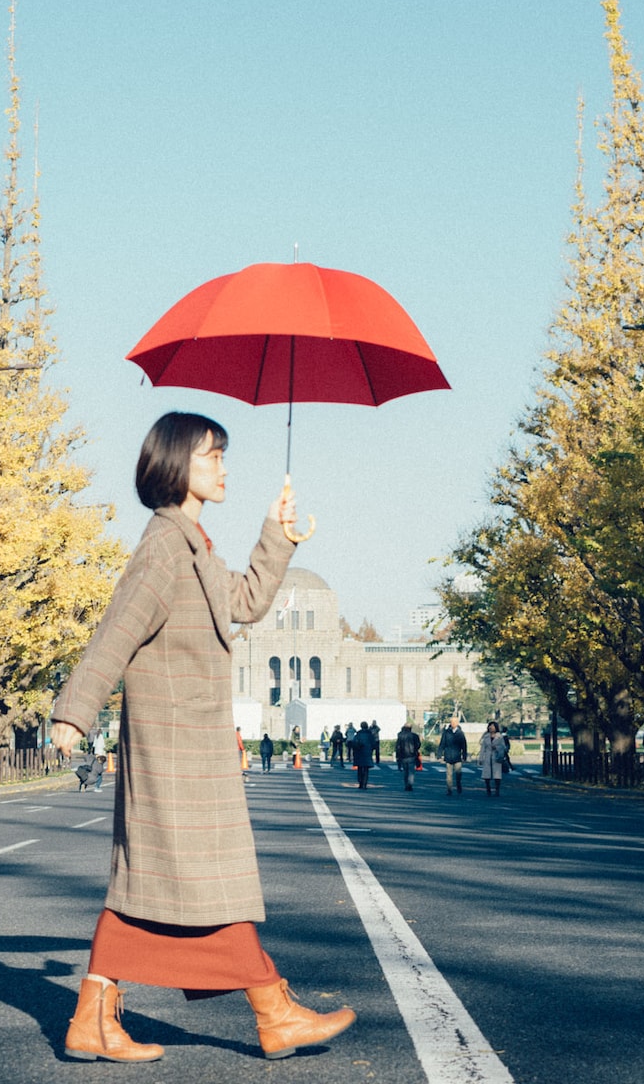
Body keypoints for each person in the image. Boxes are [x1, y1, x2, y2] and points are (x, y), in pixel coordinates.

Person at [48, 411, 355, 1063]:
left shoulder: (192, 544)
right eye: (212, 455)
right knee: (202, 884)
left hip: (189, 748)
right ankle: (273, 1009)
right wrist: (74, 710)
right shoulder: (164, 546)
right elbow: (118, 629)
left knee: (158, 885)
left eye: (223, 455)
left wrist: (277, 533)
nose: (223, 467)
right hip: (172, 752)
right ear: (175, 463)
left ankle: (94, 1017)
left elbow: (245, 602)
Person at [437, 716, 468, 795]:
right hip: (448, 756)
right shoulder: (446, 732)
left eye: (455, 722)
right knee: (449, 775)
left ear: (457, 723)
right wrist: (439, 755)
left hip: (457, 756)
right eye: (452, 722)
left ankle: (458, 785)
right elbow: (442, 744)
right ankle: (449, 789)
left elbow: (464, 745)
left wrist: (464, 756)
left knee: (458, 773)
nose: (453, 723)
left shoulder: (460, 733)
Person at [479, 721, 509, 796]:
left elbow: (503, 747)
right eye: (490, 727)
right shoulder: (486, 736)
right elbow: (482, 748)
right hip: (488, 756)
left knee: (497, 774)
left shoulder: (500, 737)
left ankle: (497, 790)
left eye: (492, 727)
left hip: (496, 756)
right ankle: (488, 789)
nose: (491, 728)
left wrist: (497, 748)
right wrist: (481, 758)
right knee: (487, 774)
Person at [395, 723, 421, 791]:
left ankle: (406, 784)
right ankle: (410, 784)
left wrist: (398, 756)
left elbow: (398, 747)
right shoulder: (414, 736)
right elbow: (418, 745)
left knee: (405, 771)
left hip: (403, 755)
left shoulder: (400, 735)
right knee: (411, 771)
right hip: (412, 755)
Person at [351, 721, 374, 789]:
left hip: (359, 752)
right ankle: (364, 783)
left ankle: (360, 782)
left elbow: (354, 743)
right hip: (367, 753)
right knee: (366, 769)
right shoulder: (370, 735)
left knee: (360, 768)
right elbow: (374, 744)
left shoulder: (358, 734)